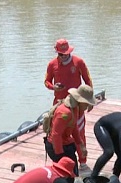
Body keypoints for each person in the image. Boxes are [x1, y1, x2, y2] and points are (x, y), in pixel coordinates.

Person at [44, 39, 93, 171]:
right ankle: (60, 160)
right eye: (61, 54)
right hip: (59, 103)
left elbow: (88, 80)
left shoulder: (79, 62)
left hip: (77, 103)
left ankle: (82, 161)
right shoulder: (52, 64)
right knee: (57, 131)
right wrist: (53, 87)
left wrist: (89, 100)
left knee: (79, 132)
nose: (64, 56)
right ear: (57, 53)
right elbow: (46, 81)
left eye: (66, 53)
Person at [44, 84, 96, 177]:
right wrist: (60, 157)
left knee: (74, 172)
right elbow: (56, 135)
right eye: (87, 103)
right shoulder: (64, 112)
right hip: (56, 147)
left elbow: (74, 127)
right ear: (80, 100)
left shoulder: (74, 108)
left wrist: (81, 145)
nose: (88, 105)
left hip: (66, 143)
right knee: (66, 175)